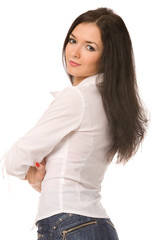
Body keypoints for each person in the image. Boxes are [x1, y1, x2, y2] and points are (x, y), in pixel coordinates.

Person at [3, 7, 148, 240]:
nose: (75, 53)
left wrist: (31, 173)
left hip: (69, 223)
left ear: (108, 56)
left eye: (90, 47)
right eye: (73, 40)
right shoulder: (111, 102)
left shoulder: (77, 98)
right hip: (97, 226)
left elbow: (15, 159)